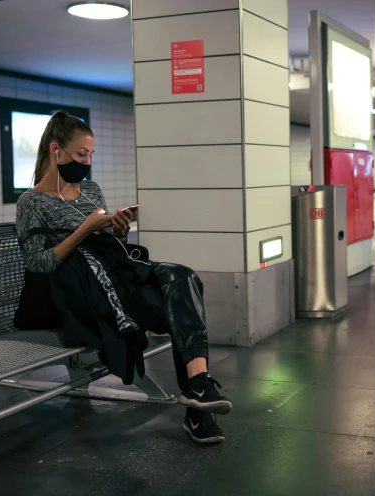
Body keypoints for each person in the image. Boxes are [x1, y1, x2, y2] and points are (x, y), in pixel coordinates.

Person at [15, 111, 232, 444]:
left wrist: (118, 229)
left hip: (115, 274)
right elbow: (39, 263)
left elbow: (109, 249)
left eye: (90, 155)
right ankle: (197, 411)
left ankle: (198, 385)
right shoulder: (32, 201)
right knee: (171, 304)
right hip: (78, 292)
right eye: (80, 154)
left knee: (182, 277)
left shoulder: (91, 190)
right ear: (55, 151)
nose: (86, 162)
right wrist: (84, 229)